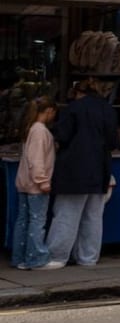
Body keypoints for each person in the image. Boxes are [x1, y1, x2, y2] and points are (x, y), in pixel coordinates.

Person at [45, 78, 118, 269]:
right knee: (93, 216)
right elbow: (113, 141)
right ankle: (88, 257)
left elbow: (62, 135)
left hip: (74, 170)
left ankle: (57, 256)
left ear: (78, 92)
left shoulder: (74, 109)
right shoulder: (107, 110)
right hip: (99, 169)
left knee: (66, 214)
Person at [9, 96, 55, 269]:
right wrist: (42, 181)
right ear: (49, 111)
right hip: (35, 185)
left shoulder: (30, 129)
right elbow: (37, 159)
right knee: (37, 221)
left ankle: (19, 257)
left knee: (23, 220)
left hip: (24, 182)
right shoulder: (40, 131)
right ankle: (36, 258)